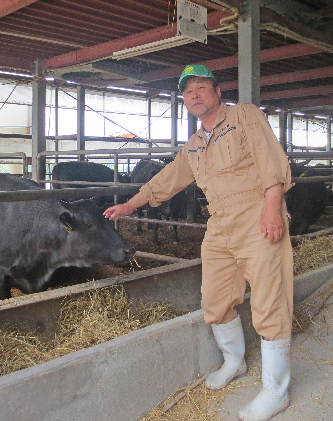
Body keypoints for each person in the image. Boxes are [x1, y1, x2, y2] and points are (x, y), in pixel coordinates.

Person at [103, 64, 294, 421]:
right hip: (219, 223)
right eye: (188, 92)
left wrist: (272, 209)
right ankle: (234, 362)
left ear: (217, 91)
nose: (194, 95)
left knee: (270, 300)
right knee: (214, 297)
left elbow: (270, 160)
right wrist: (130, 204)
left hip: (256, 214)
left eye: (201, 88)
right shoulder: (193, 146)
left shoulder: (244, 117)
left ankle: (276, 392)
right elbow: (168, 179)